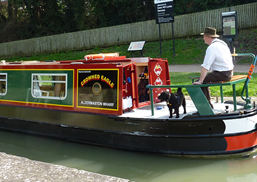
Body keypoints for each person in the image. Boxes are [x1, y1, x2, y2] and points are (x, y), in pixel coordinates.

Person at [192, 27, 234, 108]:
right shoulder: (222, 44)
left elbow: (205, 67)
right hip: (229, 72)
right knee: (204, 80)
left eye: (204, 36)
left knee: (198, 83)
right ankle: (208, 105)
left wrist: (200, 81)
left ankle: (206, 108)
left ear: (208, 37)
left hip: (223, 73)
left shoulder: (212, 48)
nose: (203, 38)